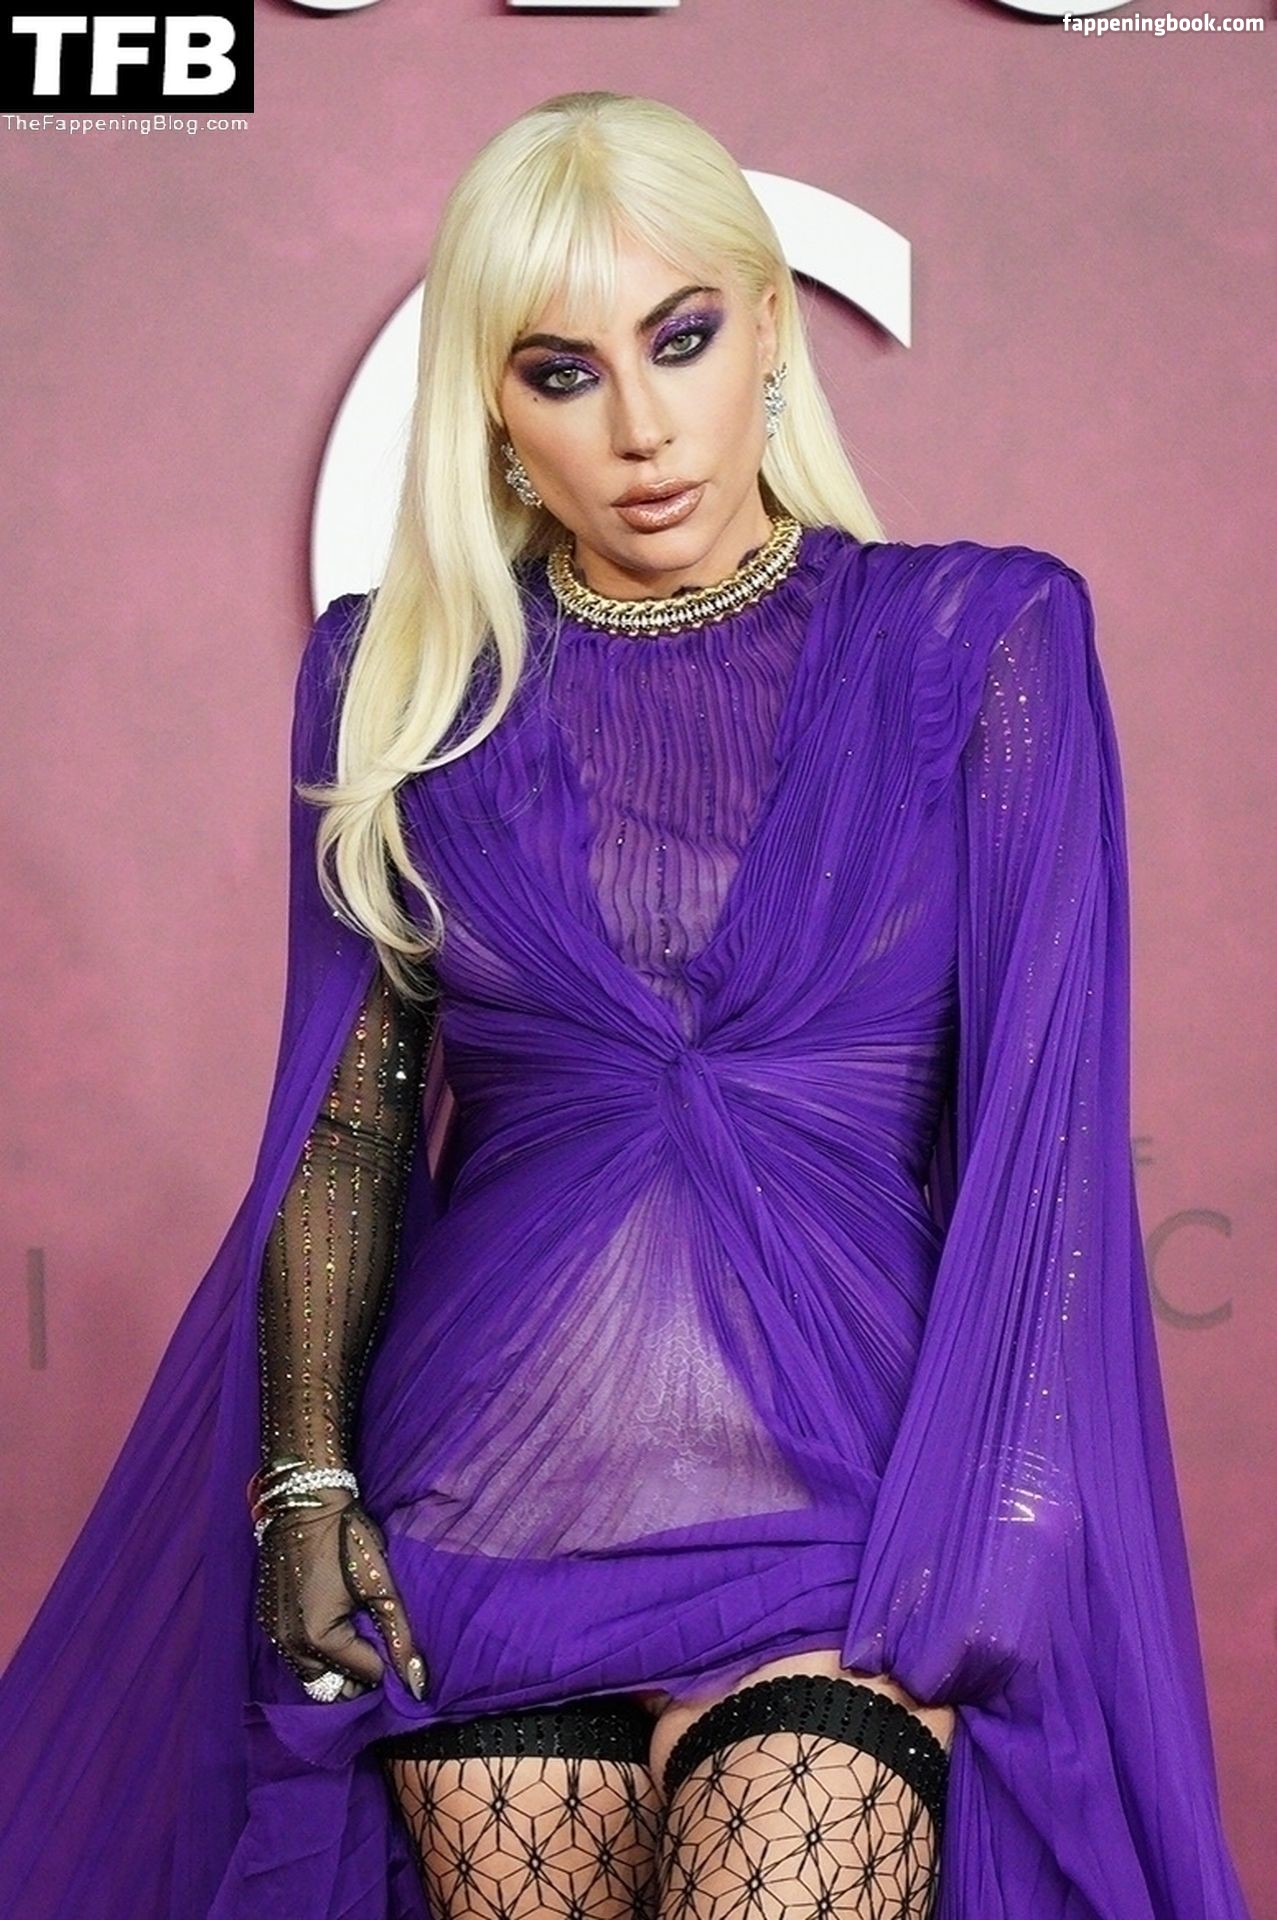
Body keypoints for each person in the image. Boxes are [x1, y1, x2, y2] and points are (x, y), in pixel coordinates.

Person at [0, 89, 1252, 1920]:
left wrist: (1001, 1530)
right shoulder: (400, 681)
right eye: (562, 372)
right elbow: (348, 1122)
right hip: (487, 1506)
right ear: (494, 411)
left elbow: (1039, 1147)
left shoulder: (978, 643)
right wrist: (305, 1483)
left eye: (680, 339)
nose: (640, 427)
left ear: (771, 329)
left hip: (852, 1523)